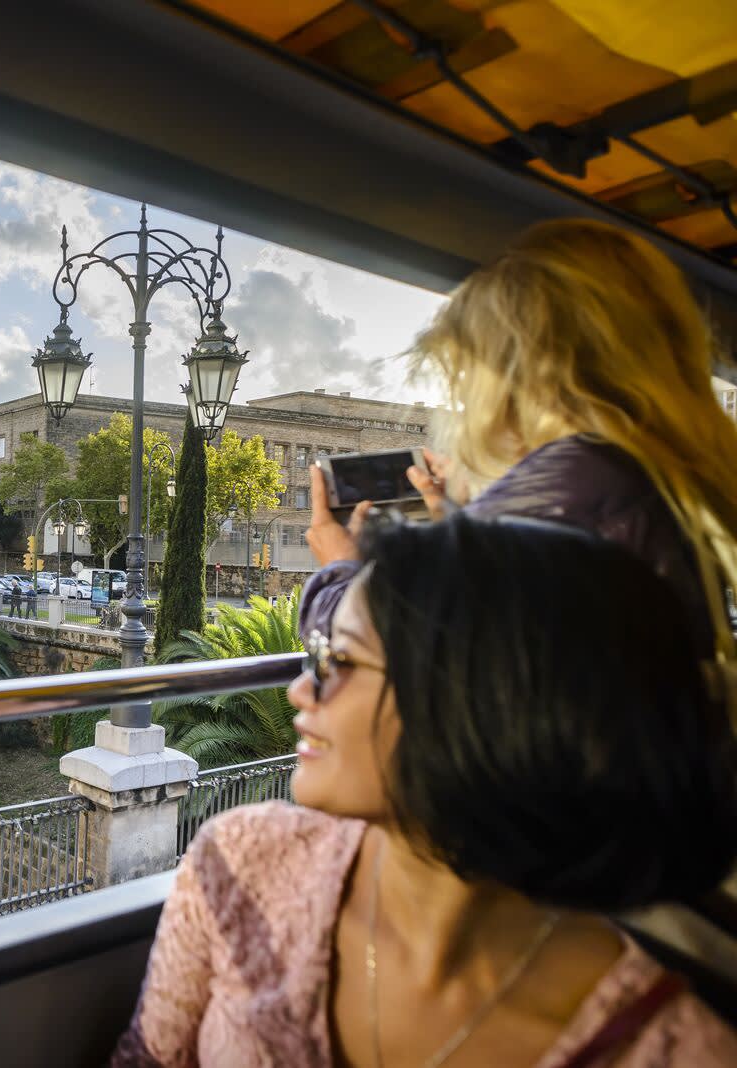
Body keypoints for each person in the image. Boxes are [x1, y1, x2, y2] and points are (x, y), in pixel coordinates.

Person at [113, 516, 737, 1067]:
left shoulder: (669, 1048)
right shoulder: (242, 863)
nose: (301, 689)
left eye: (341, 661)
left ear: (483, 707)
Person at [301, 219, 737, 670]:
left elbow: (402, 667)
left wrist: (339, 572)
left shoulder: (559, 493)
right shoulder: (659, 475)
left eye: (465, 368)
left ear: (514, 374)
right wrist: (463, 525)